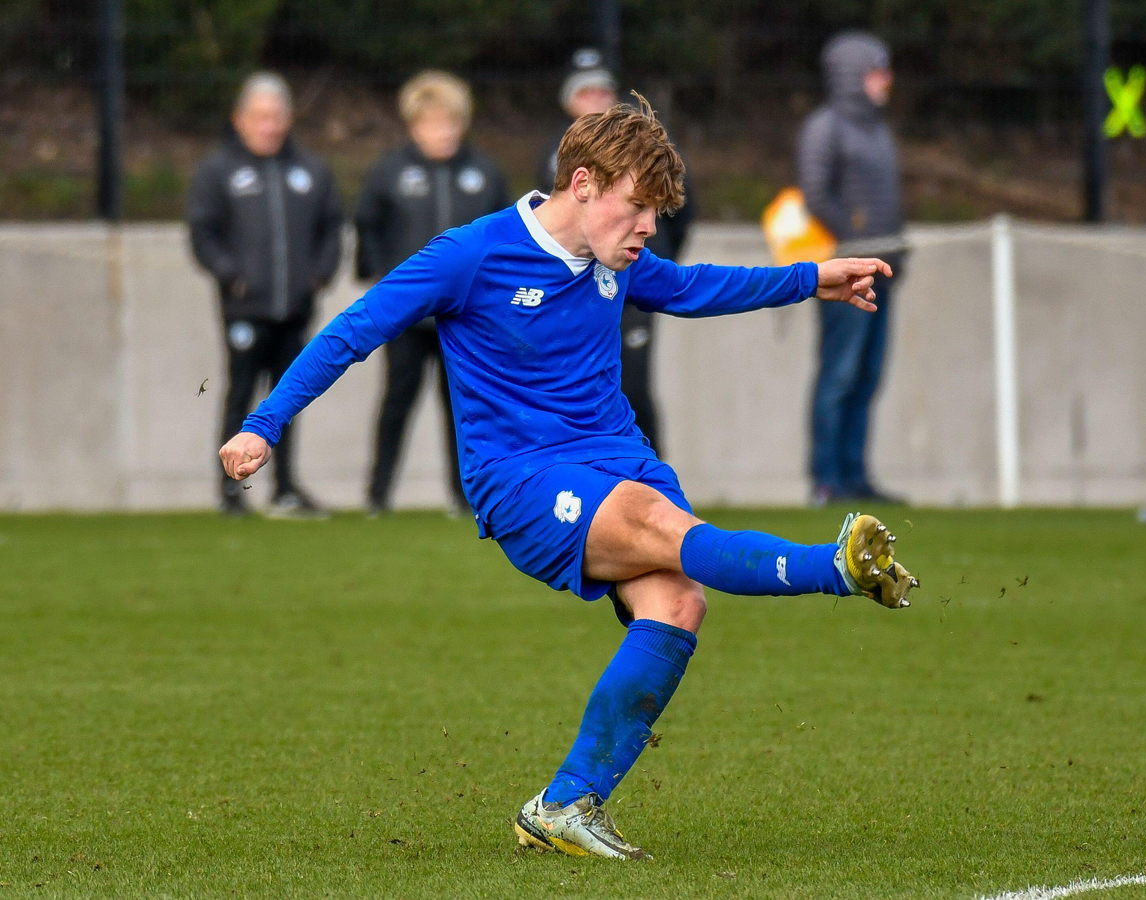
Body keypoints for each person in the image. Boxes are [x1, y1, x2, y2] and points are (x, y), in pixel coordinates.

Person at [219, 100, 918, 860]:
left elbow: (693, 286)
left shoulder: (617, 260)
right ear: (582, 183)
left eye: (656, 212)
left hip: (618, 458)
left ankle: (563, 806)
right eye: (639, 207)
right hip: (521, 478)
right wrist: (264, 423)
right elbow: (354, 330)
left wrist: (813, 277)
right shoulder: (472, 254)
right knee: (662, 526)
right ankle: (835, 567)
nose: (648, 227)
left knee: (680, 604)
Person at [187, 72, 343, 519]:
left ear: (288, 119)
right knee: (240, 395)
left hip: (296, 308)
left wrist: (321, 273)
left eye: (276, 116)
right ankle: (231, 489)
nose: (269, 125)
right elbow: (202, 232)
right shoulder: (219, 170)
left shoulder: (311, 171)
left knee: (289, 397)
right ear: (240, 120)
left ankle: (285, 488)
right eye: (259, 116)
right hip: (244, 309)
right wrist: (230, 274)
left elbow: (331, 226)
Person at [355, 71, 510, 516]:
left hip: (467, 319)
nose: (442, 132)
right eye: (432, 122)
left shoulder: (484, 173)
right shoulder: (389, 172)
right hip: (406, 317)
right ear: (413, 125)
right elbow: (368, 227)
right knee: (396, 400)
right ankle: (378, 496)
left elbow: (508, 237)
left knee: (464, 408)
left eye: (450, 122)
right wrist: (385, 284)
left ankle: (465, 498)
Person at [538, 49, 696, 454]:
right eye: (584, 92)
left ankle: (653, 482)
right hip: (575, 288)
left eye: (601, 91)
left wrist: (650, 258)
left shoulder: (645, 150)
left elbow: (681, 207)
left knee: (634, 387)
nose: (594, 100)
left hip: (629, 283)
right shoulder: (555, 155)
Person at [797, 32, 907, 506]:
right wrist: (857, 248)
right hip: (844, 277)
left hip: (883, 275)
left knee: (867, 376)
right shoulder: (825, 127)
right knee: (838, 374)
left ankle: (856, 476)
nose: (887, 81)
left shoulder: (878, 130)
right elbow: (816, 195)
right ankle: (827, 480)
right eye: (878, 71)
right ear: (853, 76)